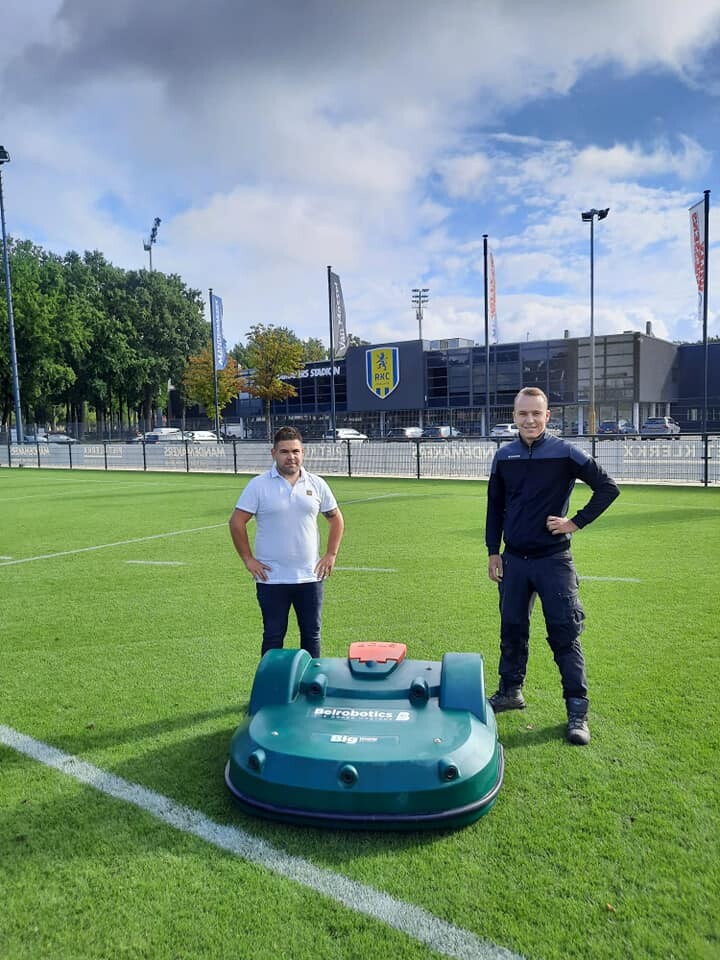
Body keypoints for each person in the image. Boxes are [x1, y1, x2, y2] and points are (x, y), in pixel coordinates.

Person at [485, 387, 619, 745]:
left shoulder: (565, 453)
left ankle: (577, 712)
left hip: (553, 560)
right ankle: (510, 692)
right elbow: (494, 507)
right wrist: (492, 551)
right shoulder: (504, 456)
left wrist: (575, 522)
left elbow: (607, 487)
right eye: (522, 414)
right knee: (512, 629)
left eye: (536, 414)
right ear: (514, 416)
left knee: (565, 633)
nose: (529, 420)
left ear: (548, 416)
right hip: (513, 560)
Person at [229, 425, 344, 659]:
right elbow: (236, 522)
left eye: (295, 451)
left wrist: (331, 554)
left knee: (311, 635)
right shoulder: (258, 485)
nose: (290, 457)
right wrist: (248, 559)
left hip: (309, 576)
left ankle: (310, 688)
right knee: (273, 635)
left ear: (303, 453)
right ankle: (272, 689)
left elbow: (336, 519)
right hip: (272, 578)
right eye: (284, 451)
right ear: (274, 454)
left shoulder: (317, 484)